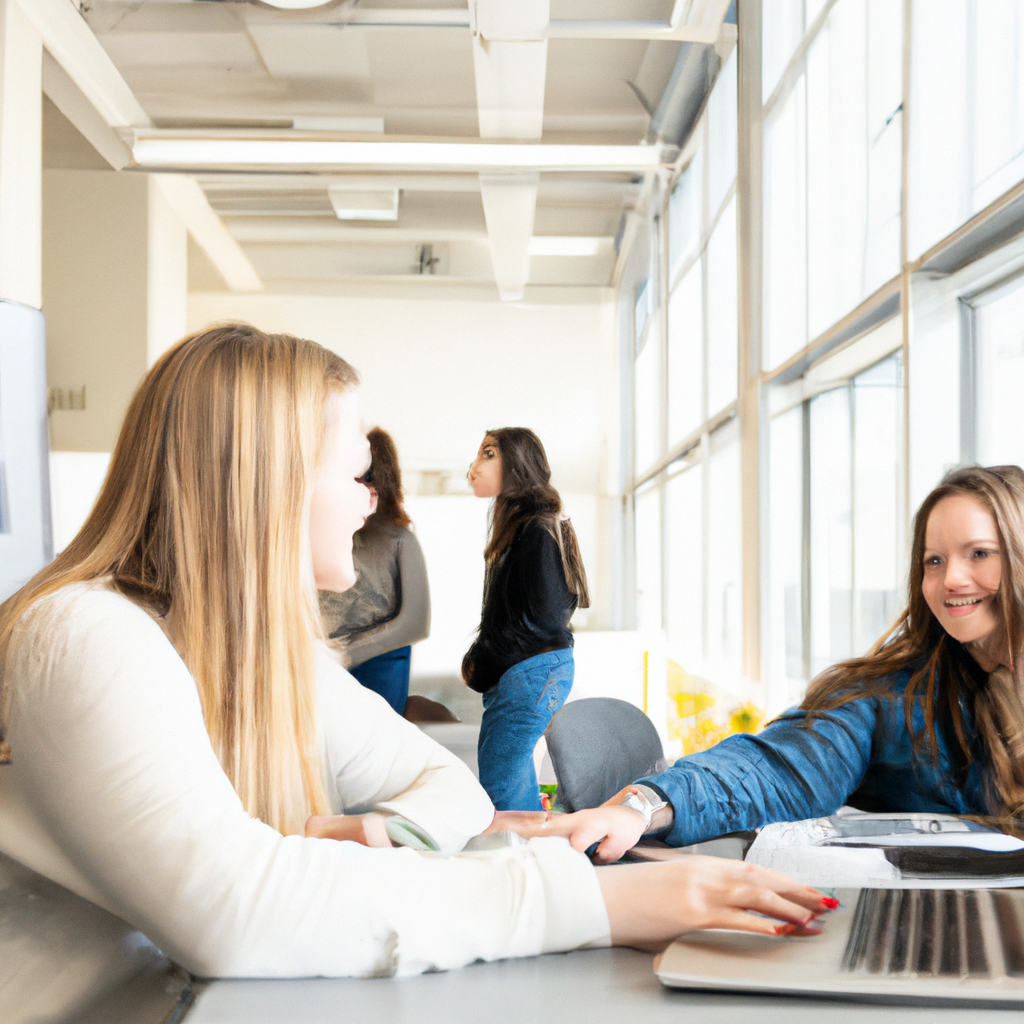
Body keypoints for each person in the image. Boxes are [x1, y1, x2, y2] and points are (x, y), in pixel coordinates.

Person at [0, 323, 832, 979]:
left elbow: (456, 794)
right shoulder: (84, 636)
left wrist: (373, 838)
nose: (370, 499)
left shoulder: (267, 658)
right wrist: (597, 903)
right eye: (352, 471)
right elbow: (236, 911)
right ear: (267, 480)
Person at [528, 464, 1024, 862]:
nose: (951, 579)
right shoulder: (889, 695)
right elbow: (775, 767)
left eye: (980, 554)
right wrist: (643, 806)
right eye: (934, 560)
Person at [463, 428, 587, 811]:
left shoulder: (535, 526)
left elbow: (546, 618)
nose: (473, 468)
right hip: (531, 671)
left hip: (531, 672)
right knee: (508, 783)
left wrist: (483, 661)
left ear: (516, 461)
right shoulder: (529, 524)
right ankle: (532, 862)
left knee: (501, 788)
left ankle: (527, 866)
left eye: (488, 454)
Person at [320, 427, 429, 715]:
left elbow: (416, 622)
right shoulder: (324, 535)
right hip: (325, 658)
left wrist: (347, 653)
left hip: (381, 660)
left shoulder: (400, 540)